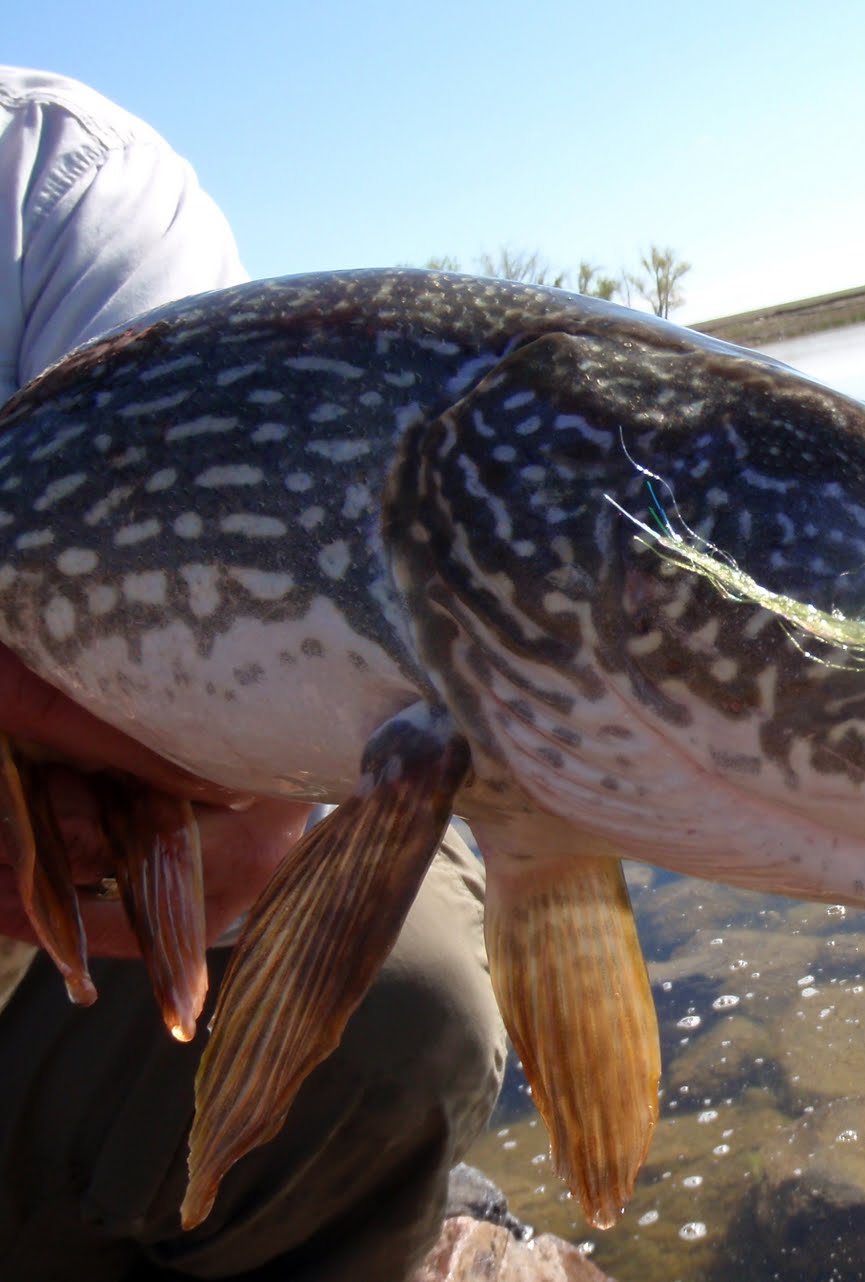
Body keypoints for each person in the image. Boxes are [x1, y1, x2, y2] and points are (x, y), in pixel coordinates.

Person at [0, 67, 506, 1280]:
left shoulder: (56, 181)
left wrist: (217, 782)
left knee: (399, 993)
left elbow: (227, 586)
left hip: (63, 916)